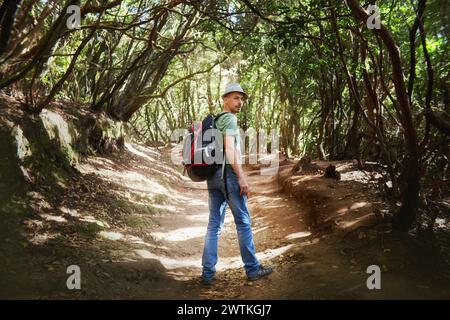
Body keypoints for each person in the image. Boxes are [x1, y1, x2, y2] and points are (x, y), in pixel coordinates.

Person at [201, 83, 273, 285]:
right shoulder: (230, 120)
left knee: (213, 225)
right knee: (243, 223)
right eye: (235, 98)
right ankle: (252, 269)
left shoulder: (215, 120)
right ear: (224, 99)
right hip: (229, 177)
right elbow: (230, 150)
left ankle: (207, 274)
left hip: (213, 178)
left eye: (241, 99)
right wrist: (241, 176)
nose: (240, 102)